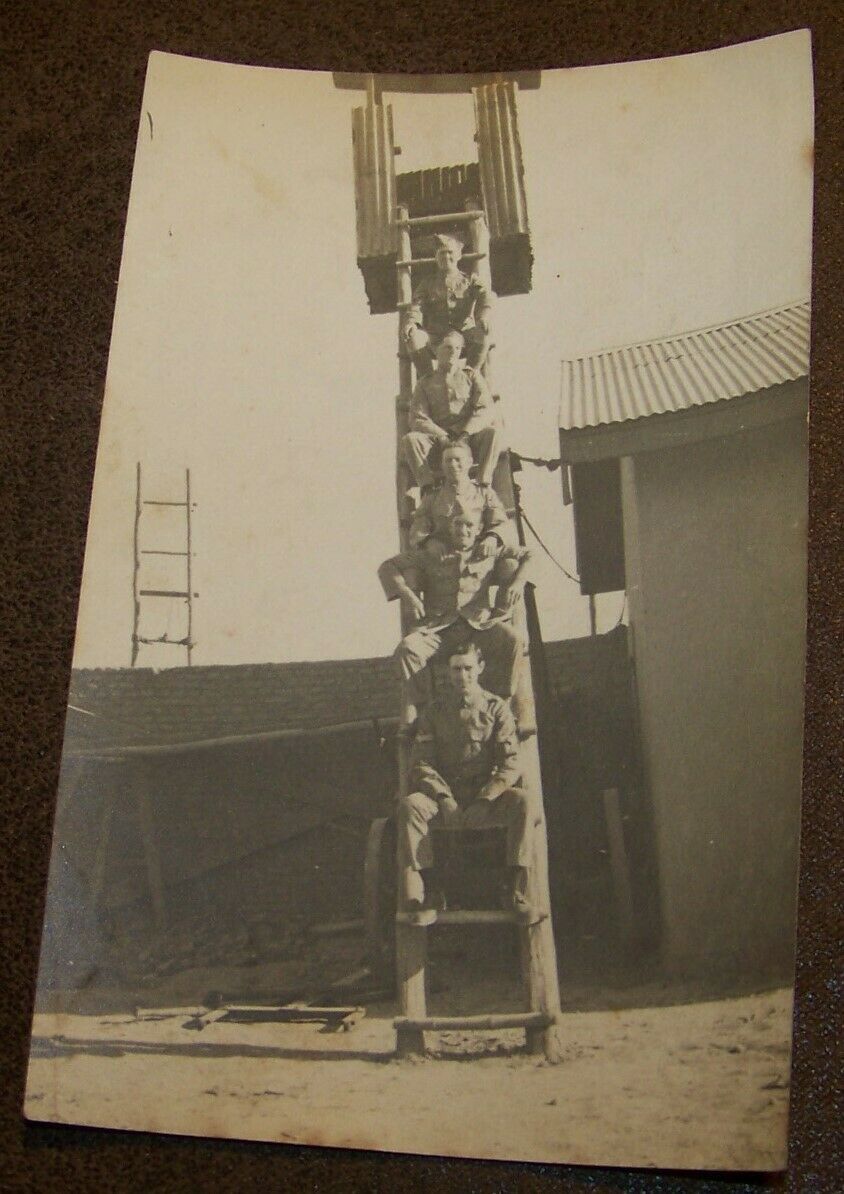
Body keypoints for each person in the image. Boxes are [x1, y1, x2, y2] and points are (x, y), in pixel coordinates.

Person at [395, 639, 540, 925]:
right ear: (448, 674)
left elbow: (511, 761)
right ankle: (432, 892)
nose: (462, 676)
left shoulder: (496, 709)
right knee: (411, 806)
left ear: (480, 668)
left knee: (523, 802)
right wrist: (443, 798)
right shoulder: (435, 712)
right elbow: (421, 763)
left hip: (486, 799)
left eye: (468, 668)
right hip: (446, 800)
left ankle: (512, 890)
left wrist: (486, 799)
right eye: (456, 670)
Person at [378, 509, 532, 725]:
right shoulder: (431, 553)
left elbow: (529, 555)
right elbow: (387, 567)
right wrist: (408, 595)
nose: (463, 530)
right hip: (439, 630)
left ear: (478, 530)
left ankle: (502, 704)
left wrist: (518, 583)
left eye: (469, 526)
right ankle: (428, 712)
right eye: (458, 524)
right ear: (450, 529)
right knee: (407, 649)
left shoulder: (489, 551)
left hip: (479, 628)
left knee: (515, 640)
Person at [401, 331, 503, 493]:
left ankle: (484, 484)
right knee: (411, 440)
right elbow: (417, 418)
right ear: (435, 351)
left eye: (457, 348)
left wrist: (466, 432)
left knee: (493, 433)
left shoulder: (471, 376)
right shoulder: (425, 382)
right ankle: (427, 487)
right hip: (438, 442)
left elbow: (485, 408)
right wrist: (441, 435)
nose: (453, 352)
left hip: (468, 438)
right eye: (447, 347)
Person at [403, 233, 493, 376]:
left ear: (458, 255)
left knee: (484, 332)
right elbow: (416, 306)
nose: (446, 257)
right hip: (436, 338)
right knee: (413, 337)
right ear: (436, 258)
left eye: (450, 252)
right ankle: (429, 378)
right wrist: (412, 323)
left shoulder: (469, 280)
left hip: (464, 335)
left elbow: (486, 297)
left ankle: (470, 373)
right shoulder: (427, 283)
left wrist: (483, 317)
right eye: (442, 253)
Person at [409, 438, 508, 555]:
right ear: (442, 465)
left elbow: (500, 522)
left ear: (469, 462)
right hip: (443, 556)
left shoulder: (485, 493)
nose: (453, 464)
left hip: (477, 553)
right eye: (448, 460)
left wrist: (492, 537)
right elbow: (418, 527)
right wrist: (428, 542)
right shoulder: (432, 498)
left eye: (457, 459)